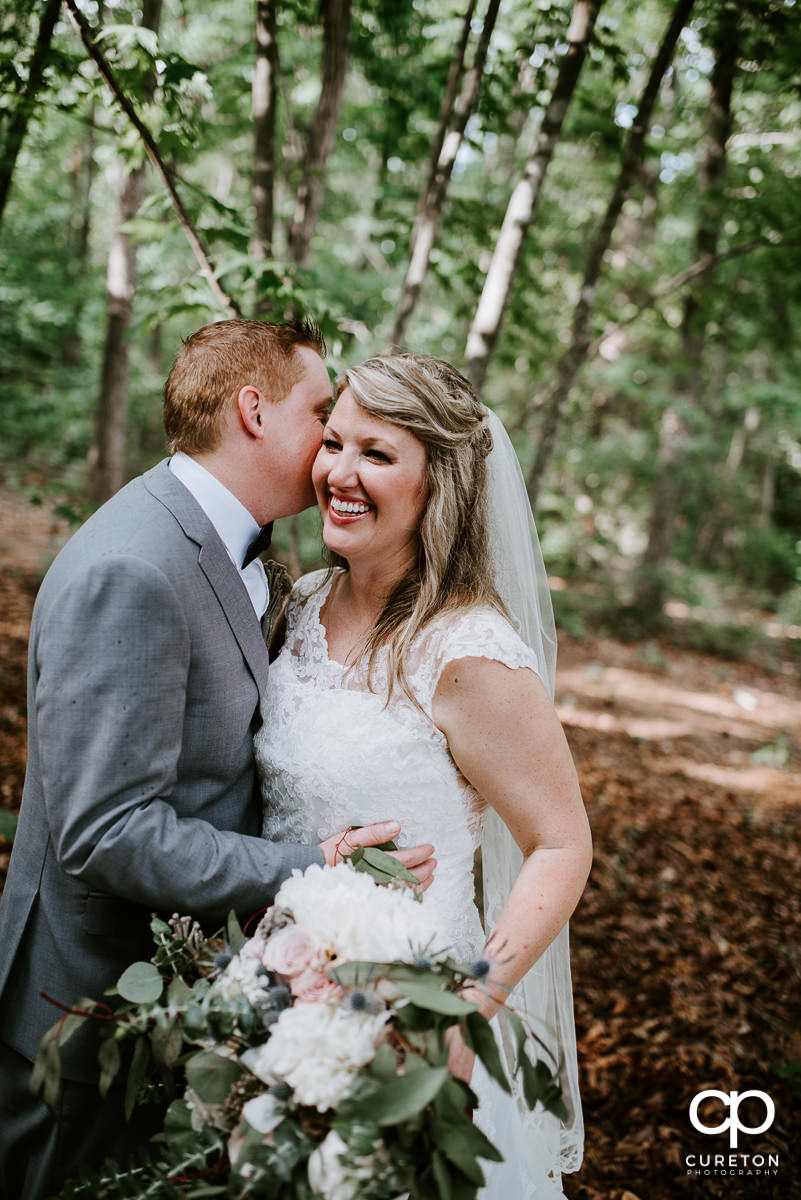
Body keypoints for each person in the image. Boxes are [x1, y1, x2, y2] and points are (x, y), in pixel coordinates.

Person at [0, 320, 435, 1200]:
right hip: (86, 1021)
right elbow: (108, 832)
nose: (330, 440)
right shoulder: (136, 567)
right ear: (253, 410)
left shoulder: (235, 549)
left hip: (179, 1004)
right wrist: (312, 868)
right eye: (321, 412)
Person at [254, 352, 593, 1197]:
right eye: (333, 442)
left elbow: (559, 844)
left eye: (377, 453)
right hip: (273, 1001)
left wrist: (466, 1006)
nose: (339, 472)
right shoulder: (298, 607)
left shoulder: (464, 651)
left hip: (415, 1025)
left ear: (438, 481)